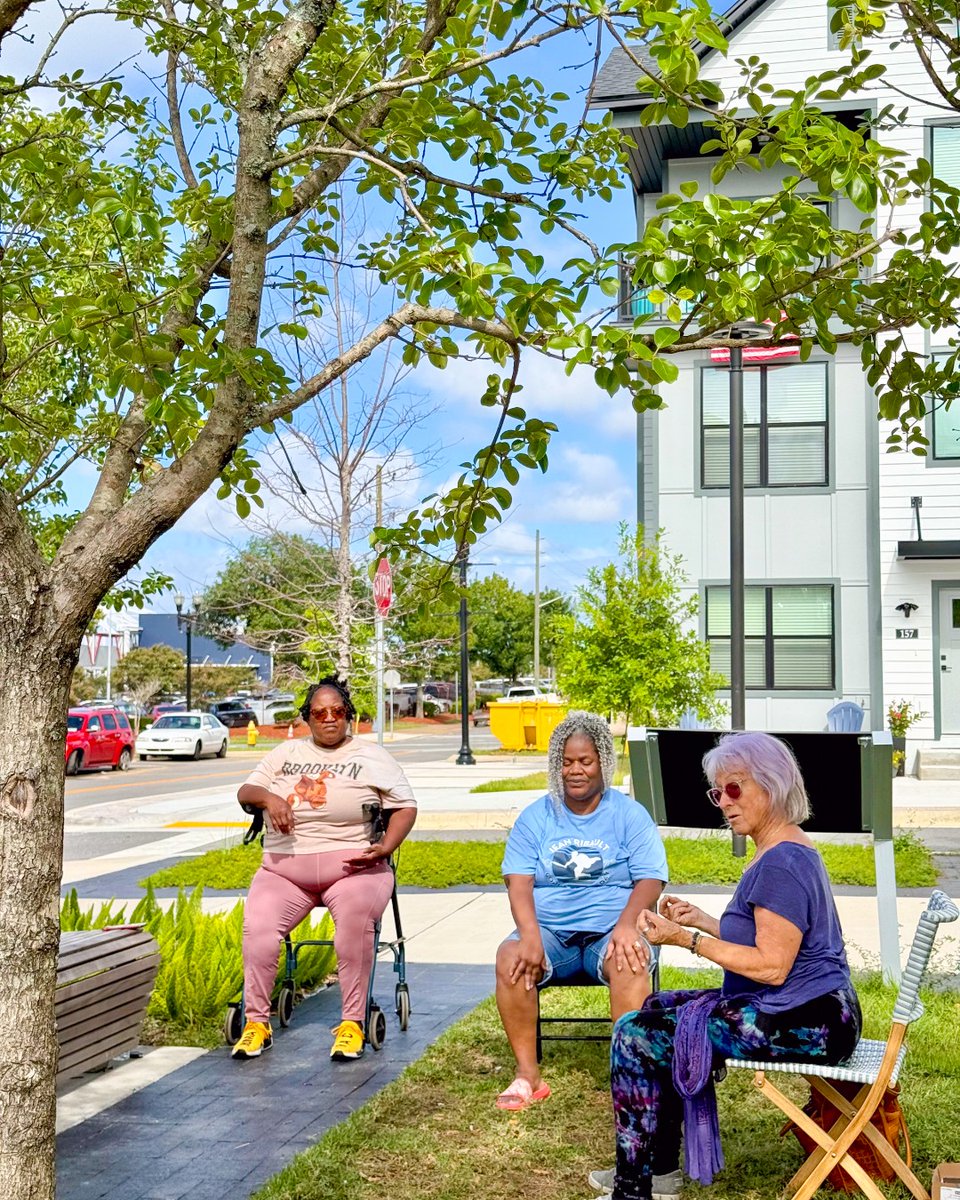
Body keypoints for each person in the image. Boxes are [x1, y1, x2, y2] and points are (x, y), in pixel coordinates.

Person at [594, 730, 862, 1200]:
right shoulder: (784, 847)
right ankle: (660, 1171)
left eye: (734, 788)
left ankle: (633, 1187)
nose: (724, 802)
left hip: (807, 1020)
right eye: (717, 792)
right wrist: (703, 921)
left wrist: (686, 939)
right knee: (655, 1008)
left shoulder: (780, 863)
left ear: (772, 784)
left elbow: (772, 966)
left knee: (636, 1035)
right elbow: (770, 938)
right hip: (811, 1009)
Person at [232, 675, 417, 1063]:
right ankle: (256, 1023)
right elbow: (246, 792)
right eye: (319, 713)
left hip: (354, 869)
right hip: (284, 871)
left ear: (349, 714)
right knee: (259, 929)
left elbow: (405, 806)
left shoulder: (371, 756)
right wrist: (270, 800)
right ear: (307, 718)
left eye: (337, 711)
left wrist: (386, 846)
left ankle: (352, 1023)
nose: (329, 718)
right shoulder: (285, 753)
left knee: (353, 927)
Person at [494, 710, 668, 1111]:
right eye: (566, 762)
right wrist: (530, 936)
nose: (575, 770)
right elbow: (517, 882)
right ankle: (528, 1076)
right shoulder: (536, 817)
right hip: (551, 936)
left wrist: (627, 926)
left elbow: (650, 880)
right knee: (510, 957)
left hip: (611, 932)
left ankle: (631, 1078)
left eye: (585, 761)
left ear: (603, 762)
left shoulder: (629, 815)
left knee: (629, 958)